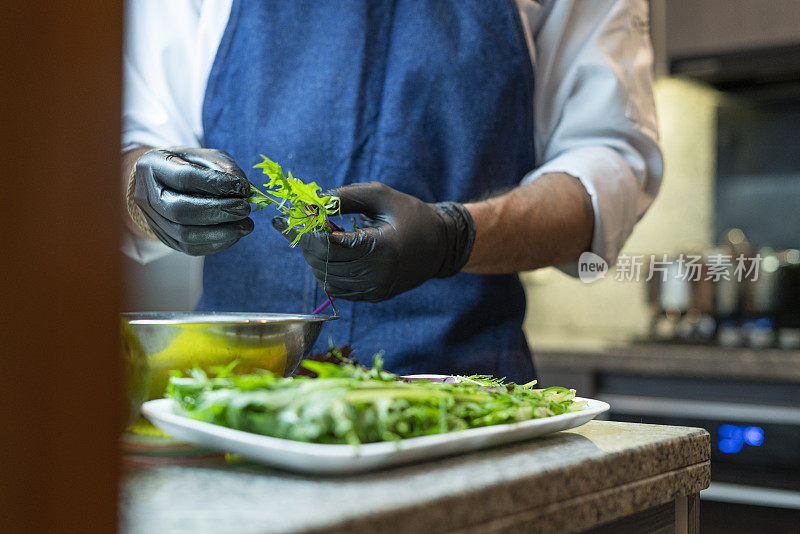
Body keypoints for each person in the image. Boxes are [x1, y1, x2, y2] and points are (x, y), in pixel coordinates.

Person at [122, 0, 663, 382]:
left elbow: (610, 166)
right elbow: (125, 146)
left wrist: (456, 236)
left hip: (458, 404)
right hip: (230, 399)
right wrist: (140, 192)